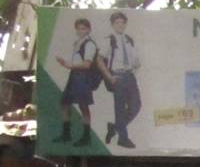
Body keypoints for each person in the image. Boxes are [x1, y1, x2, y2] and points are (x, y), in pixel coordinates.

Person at [54, 17, 111, 146]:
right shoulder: (78, 43)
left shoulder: (89, 44)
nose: (81, 31)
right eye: (79, 28)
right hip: (75, 76)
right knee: (64, 102)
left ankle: (86, 137)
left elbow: (87, 64)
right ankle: (66, 134)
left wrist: (69, 65)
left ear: (88, 30)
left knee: (83, 106)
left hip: (82, 77)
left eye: (84, 28)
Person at [100, 11, 142, 148]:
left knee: (136, 105)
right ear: (113, 24)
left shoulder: (129, 39)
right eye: (117, 22)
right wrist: (109, 76)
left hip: (129, 75)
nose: (120, 25)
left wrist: (136, 65)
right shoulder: (109, 39)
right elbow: (99, 59)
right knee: (120, 108)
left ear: (125, 24)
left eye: (122, 22)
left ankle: (114, 128)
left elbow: (135, 59)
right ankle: (122, 139)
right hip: (117, 76)